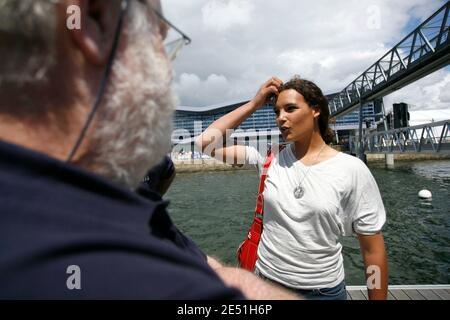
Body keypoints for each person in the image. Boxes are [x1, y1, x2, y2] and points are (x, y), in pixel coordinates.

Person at [0, 0, 297, 299]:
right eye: (160, 37)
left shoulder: (105, 189)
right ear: (95, 18)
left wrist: (227, 275)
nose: (169, 68)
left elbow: (203, 264)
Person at [196, 76, 389, 300]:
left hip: (323, 293)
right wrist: (254, 104)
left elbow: (372, 251)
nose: (281, 118)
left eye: (290, 109)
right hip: (265, 285)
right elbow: (205, 142)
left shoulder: (351, 169)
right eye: (277, 112)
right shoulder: (269, 157)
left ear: (315, 110)